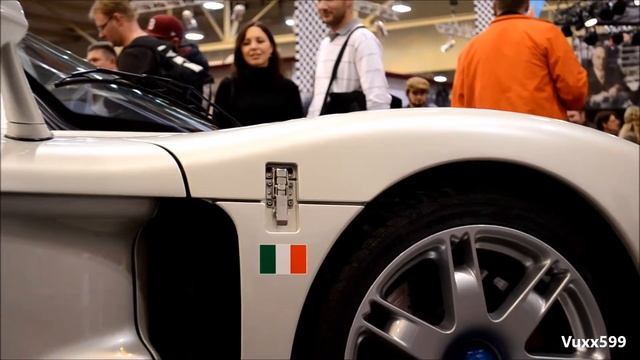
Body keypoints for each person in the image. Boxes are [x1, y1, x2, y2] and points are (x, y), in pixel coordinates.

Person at [451, 0, 587, 121]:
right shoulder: (547, 34)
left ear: (493, 8)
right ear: (527, 5)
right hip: (541, 139)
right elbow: (575, 93)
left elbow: (459, 111)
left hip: (488, 143)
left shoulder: (468, 51)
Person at [306, 0, 391, 117]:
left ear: (348, 2)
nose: (322, 6)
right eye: (319, 0)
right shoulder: (325, 43)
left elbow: (377, 97)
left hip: (348, 130)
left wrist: (376, 130)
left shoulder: (363, 39)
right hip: (323, 129)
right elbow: (318, 100)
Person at [214, 22, 303, 126]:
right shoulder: (228, 87)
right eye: (246, 43)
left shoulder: (289, 88)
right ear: (240, 51)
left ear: (271, 48)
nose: (253, 47)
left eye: (260, 41)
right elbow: (217, 128)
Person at [145, 14, 210, 73]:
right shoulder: (153, 58)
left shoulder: (193, 61)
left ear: (175, 41)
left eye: (158, 39)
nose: (152, 42)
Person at [586, 45, 632, 109]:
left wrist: (616, 88)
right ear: (592, 58)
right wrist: (593, 98)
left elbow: (622, 83)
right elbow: (579, 98)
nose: (601, 61)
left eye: (603, 58)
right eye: (598, 57)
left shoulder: (612, 70)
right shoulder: (585, 74)